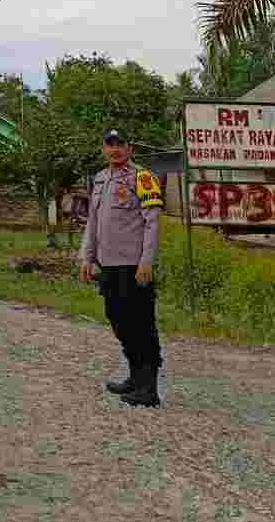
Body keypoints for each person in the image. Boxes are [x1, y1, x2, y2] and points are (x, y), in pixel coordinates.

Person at [78, 128, 164, 407]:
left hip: (133, 266)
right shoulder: (101, 179)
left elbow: (152, 223)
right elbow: (92, 222)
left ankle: (148, 387)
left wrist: (146, 262)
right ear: (103, 148)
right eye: (109, 144)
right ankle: (134, 377)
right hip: (108, 265)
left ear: (130, 148)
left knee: (141, 324)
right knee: (118, 321)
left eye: (120, 144)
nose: (114, 149)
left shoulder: (143, 178)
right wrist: (86, 257)